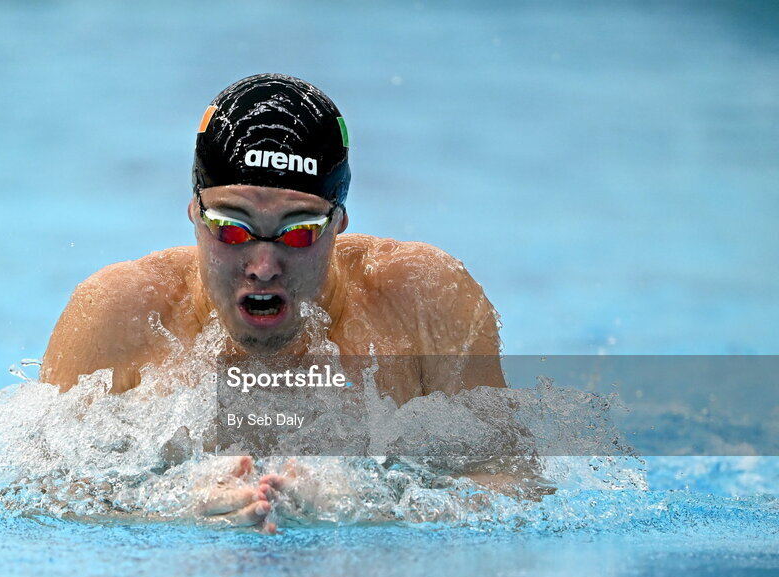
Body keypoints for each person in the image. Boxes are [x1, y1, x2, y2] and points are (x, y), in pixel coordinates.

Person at [40, 73, 513, 533]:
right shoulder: (119, 312)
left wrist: (366, 508)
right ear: (193, 212)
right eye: (231, 227)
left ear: (339, 222)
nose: (263, 265)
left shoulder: (422, 300)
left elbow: (514, 485)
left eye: (299, 231)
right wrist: (173, 505)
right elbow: (33, 492)